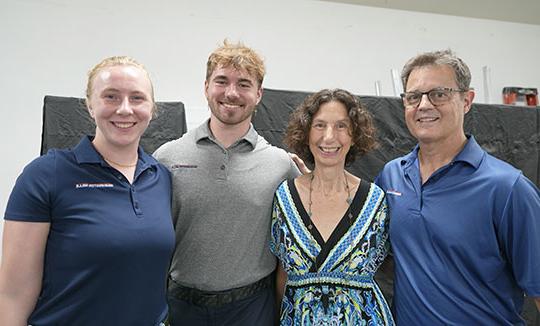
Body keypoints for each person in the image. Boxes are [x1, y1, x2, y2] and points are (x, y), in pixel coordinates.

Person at [0, 56, 175, 325]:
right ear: (90, 105)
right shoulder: (45, 175)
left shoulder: (161, 177)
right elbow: (13, 294)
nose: (125, 109)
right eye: (111, 97)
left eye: (137, 98)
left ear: (152, 109)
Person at [376, 49, 540, 325]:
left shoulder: (508, 189)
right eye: (414, 97)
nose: (424, 105)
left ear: (467, 100)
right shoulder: (392, 176)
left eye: (439, 94)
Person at [153, 40, 301, 326]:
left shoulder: (281, 164)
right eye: (222, 81)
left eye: (244, 84)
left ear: (258, 94)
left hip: (253, 308)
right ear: (206, 86)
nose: (231, 93)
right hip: (182, 307)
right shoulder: (167, 157)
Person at [270, 88, 394, 325]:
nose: (329, 137)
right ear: (306, 132)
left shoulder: (375, 200)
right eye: (319, 125)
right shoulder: (284, 198)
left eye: (341, 126)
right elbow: (281, 273)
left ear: (354, 135)